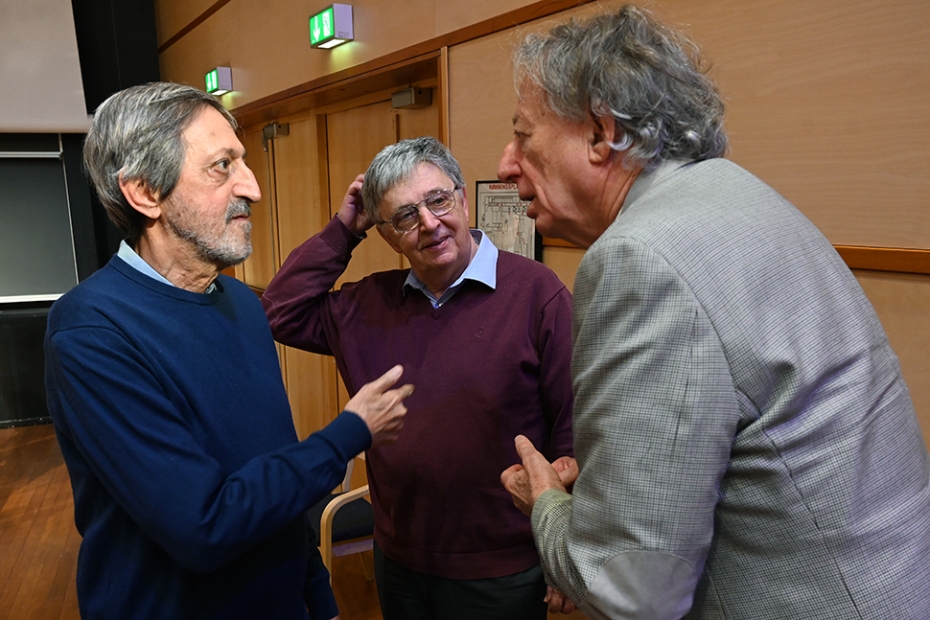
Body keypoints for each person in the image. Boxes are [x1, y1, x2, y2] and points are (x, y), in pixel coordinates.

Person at [497, 6, 930, 620]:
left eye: (523, 133)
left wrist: (547, 504)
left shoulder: (638, 257)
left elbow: (630, 591)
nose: (505, 163)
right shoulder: (741, 195)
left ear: (600, 132)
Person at [44, 82, 414, 620]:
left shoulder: (241, 303)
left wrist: (316, 596)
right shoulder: (90, 332)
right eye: (222, 166)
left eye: (243, 162)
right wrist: (348, 433)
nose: (254, 188)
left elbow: (270, 479)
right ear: (145, 191)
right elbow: (203, 524)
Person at [261, 136, 574, 620]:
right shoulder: (366, 305)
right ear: (384, 233)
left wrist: (565, 553)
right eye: (405, 216)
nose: (429, 224)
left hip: (503, 569)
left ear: (463, 198)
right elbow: (278, 312)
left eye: (438, 200)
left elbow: (574, 430)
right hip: (399, 559)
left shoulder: (536, 293)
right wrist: (344, 229)